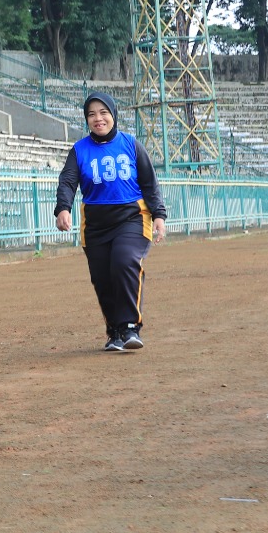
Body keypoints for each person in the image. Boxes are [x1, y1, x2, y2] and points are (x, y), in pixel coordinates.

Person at [52, 93, 167, 353]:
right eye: (91, 114)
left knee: (124, 261)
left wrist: (159, 215)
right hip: (96, 224)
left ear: (113, 114)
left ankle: (130, 327)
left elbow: (149, 183)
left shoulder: (131, 144)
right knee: (102, 277)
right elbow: (68, 181)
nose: (98, 118)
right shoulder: (79, 150)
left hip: (132, 218)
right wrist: (63, 208)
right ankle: (114, 332)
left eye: (103, 112)